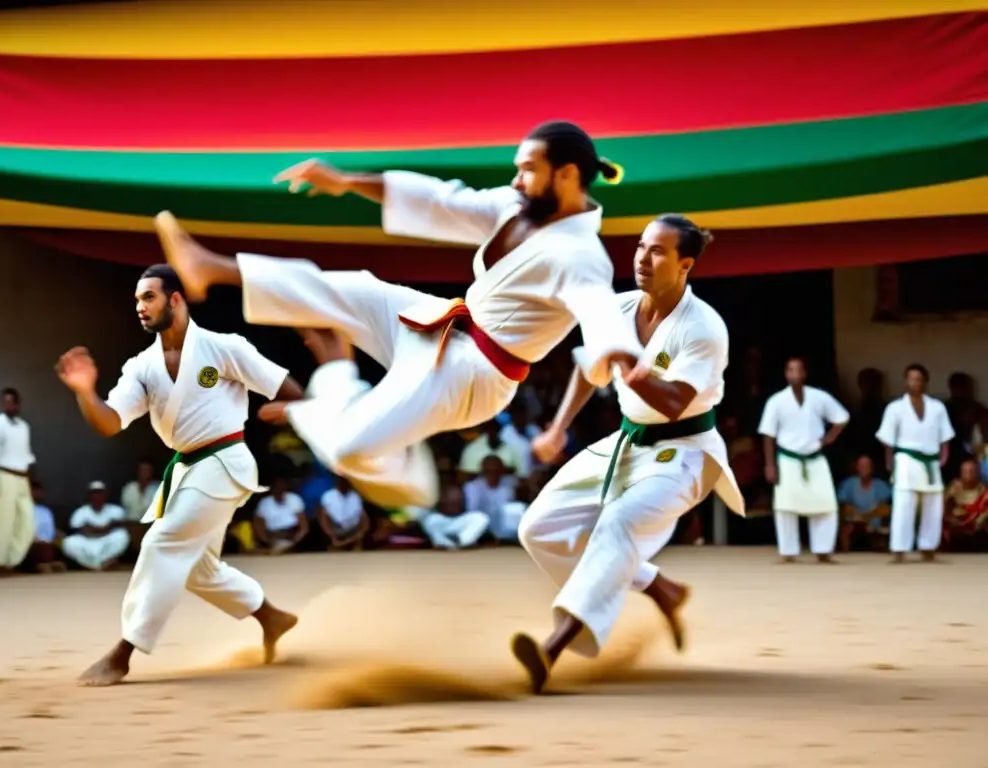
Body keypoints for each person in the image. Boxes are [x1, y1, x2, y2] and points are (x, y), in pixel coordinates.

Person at [153, 121, 643, 513]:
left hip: (473, 375)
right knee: (356, 289)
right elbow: (439, 201)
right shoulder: (516, 207)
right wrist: (346, 182)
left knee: (347, 449)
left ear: (567, 175)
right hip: (445, 325)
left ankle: (358, 429)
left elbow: (597, 306)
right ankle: (212, 268)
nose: (517, 178)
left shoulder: (580, 254)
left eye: (528, 169)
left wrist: (616, 349)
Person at [511, 215, 744, 694]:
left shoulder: (703, 328)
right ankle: (661, 588)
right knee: (538, 529)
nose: (642, 258)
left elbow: (677, 400)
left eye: (658, 251)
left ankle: (552, 647)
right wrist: (558, 427)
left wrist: (632, 370)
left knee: (616, 525)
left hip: (685, 453)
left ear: (685, 264)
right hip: (627, 441)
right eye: (641, 246)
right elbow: (588, 369)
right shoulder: (616, 309)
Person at [55, 264, 303, 686]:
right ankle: (271, 616)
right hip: (188, 470)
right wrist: (85, 392)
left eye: (148, 297)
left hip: (226, 461)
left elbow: (290, 391)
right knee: (197, 569)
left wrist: (288, 412)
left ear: (174, 299)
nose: (140, 306)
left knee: (163, 539)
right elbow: (111, 422)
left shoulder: (224, 347)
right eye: (136, 300)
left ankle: (123, 652)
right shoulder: (142, 366)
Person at [758, 357, 850, 563]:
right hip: (788, 458)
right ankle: (788, 551)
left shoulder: (819, 397)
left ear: (805, 373)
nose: (795, 374)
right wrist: (770, 464)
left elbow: (841, 417)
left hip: (815, 457)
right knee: (785, 506)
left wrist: (829, 438)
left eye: (799, 370)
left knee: (825, 504)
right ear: (786, 374)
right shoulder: (777, 401)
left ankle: (823, 550)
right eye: (791, 370)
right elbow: (768, 435)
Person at [875, 364, 954, 563]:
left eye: (919, 379)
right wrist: (889, 463)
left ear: (925, 382)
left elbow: (945, 436)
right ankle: (899, 549)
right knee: (904, 504)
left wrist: (944, 456)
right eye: (911, 379)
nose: (915, 383)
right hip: (906, 459)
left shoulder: (937, 407)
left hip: (930, 460)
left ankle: (928, 547)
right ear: (905, 381)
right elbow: (887, 440)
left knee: (932, 505)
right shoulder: (895, 408)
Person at [0, 387, 37, 577]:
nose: (9, 405)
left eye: (12, 402)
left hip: (22, 477)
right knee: (2, 523)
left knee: (28, 522)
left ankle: (11, 561)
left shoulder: (24, 426)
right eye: (5, 402)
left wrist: (31, 480)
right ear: (1, 403)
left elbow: (28, 456)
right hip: (3, 476)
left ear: (18, 403)